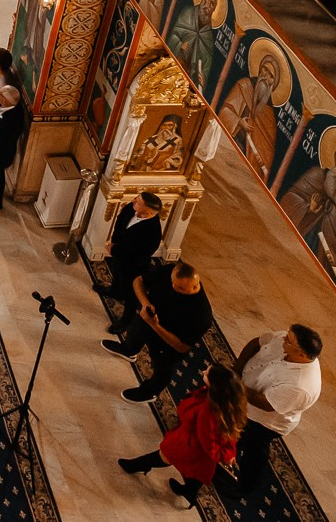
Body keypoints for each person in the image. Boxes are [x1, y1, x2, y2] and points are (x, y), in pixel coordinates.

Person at [117, 363, 246, 508]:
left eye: (206, 374)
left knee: (163, 456)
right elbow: (231, 434)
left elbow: (207, 442)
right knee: (197, 474)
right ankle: (189, 492)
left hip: (189, 445)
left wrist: (223, 455)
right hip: (199, 450)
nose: (203, 372)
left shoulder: (208, 411)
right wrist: (229, 453)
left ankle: (136, 465)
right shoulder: (229, 404)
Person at [229, 326, 324, 499]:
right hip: (244, 395)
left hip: (264, 421)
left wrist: (234, 385)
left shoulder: (302, 386)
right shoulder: (285, 339)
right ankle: (227, 455)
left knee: (253, 451)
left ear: (301, 355)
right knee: (234, 433)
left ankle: (245, 486)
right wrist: (236, 370)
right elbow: (255, 344)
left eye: (288, 340)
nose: (282, 339)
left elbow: (265, 404)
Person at [103, 261, 213, 402]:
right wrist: (146, 303)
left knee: (162, 368)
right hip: (149, 320)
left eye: (179, 287)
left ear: (195, 286)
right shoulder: (169, 270)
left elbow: (181, 346)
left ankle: (149, 393)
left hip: (168, 343)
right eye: (173, 283)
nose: (173, 287)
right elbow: (138, 281)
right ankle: (128, 350)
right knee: (135, 332)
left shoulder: (201, 315)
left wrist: (154, 325)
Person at [97, 192, 166, 308]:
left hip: (133, 265)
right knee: (117, 273)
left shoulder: (153, 233)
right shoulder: (131, 206)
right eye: (136, 198)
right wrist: (114, 243)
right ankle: (115, 291)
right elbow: (119, 223)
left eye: (137, 202)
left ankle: (126, 319)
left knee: (130, 292)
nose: (133, 200)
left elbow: (137, 254)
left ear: (147, 212)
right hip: (119, 252)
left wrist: (114, 251)